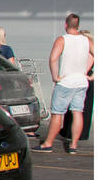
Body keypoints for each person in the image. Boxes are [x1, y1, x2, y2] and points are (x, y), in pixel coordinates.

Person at [33, 13, 93, 154]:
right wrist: (92, 75)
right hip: (81, 82)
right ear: (78, 25)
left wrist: (55, 76)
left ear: (66, 25)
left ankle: (48, 143)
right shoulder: (86, 40)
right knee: (78, 112)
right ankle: (73, 145)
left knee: (57, 114)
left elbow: (53, 58)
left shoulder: (62, 39)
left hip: (66, 82)